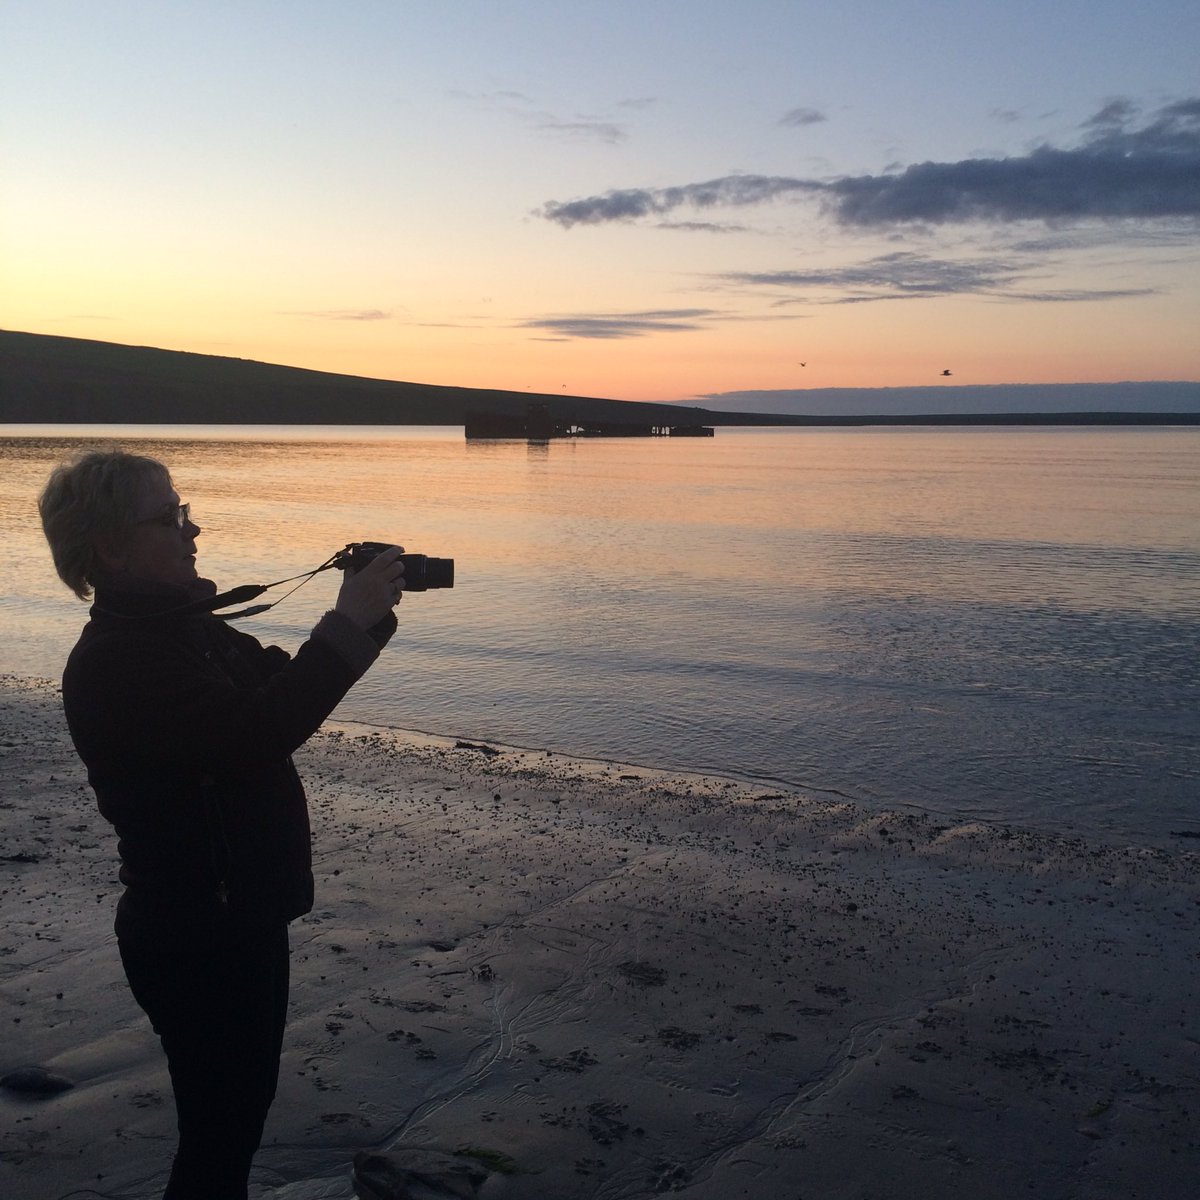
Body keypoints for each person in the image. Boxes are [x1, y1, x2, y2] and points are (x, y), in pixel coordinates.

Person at [39, 447, 407, 1200]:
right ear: (112, 546)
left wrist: (365, 615)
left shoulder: (181, 629)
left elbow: (279, 681)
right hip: (195, 938)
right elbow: (258, 731)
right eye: (170, 517)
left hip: (231, 923)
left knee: (230, 1126)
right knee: (218, 1141)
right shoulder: (119, 660)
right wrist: (346, 623)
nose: (192, 528)